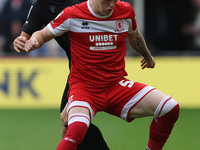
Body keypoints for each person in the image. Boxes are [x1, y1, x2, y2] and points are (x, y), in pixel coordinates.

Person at [21, 0, 180, 149]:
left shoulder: (125, 11)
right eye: (106, 1)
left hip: (116, 86)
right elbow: (42, 34)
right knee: (75, 131)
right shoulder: (72, 14)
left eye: (114, 0)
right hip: (84, 89)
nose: (111, 5)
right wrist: (34, 41)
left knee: (169, 107)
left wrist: (147, 56)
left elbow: (134, 35)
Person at [13, 0, 109, 150]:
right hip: (77, 71)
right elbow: (25, 39)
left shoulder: (82, 2)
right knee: (69, 126)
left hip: (96, 67)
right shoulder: (41, 6)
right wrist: (20, 43)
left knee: (71, 121)